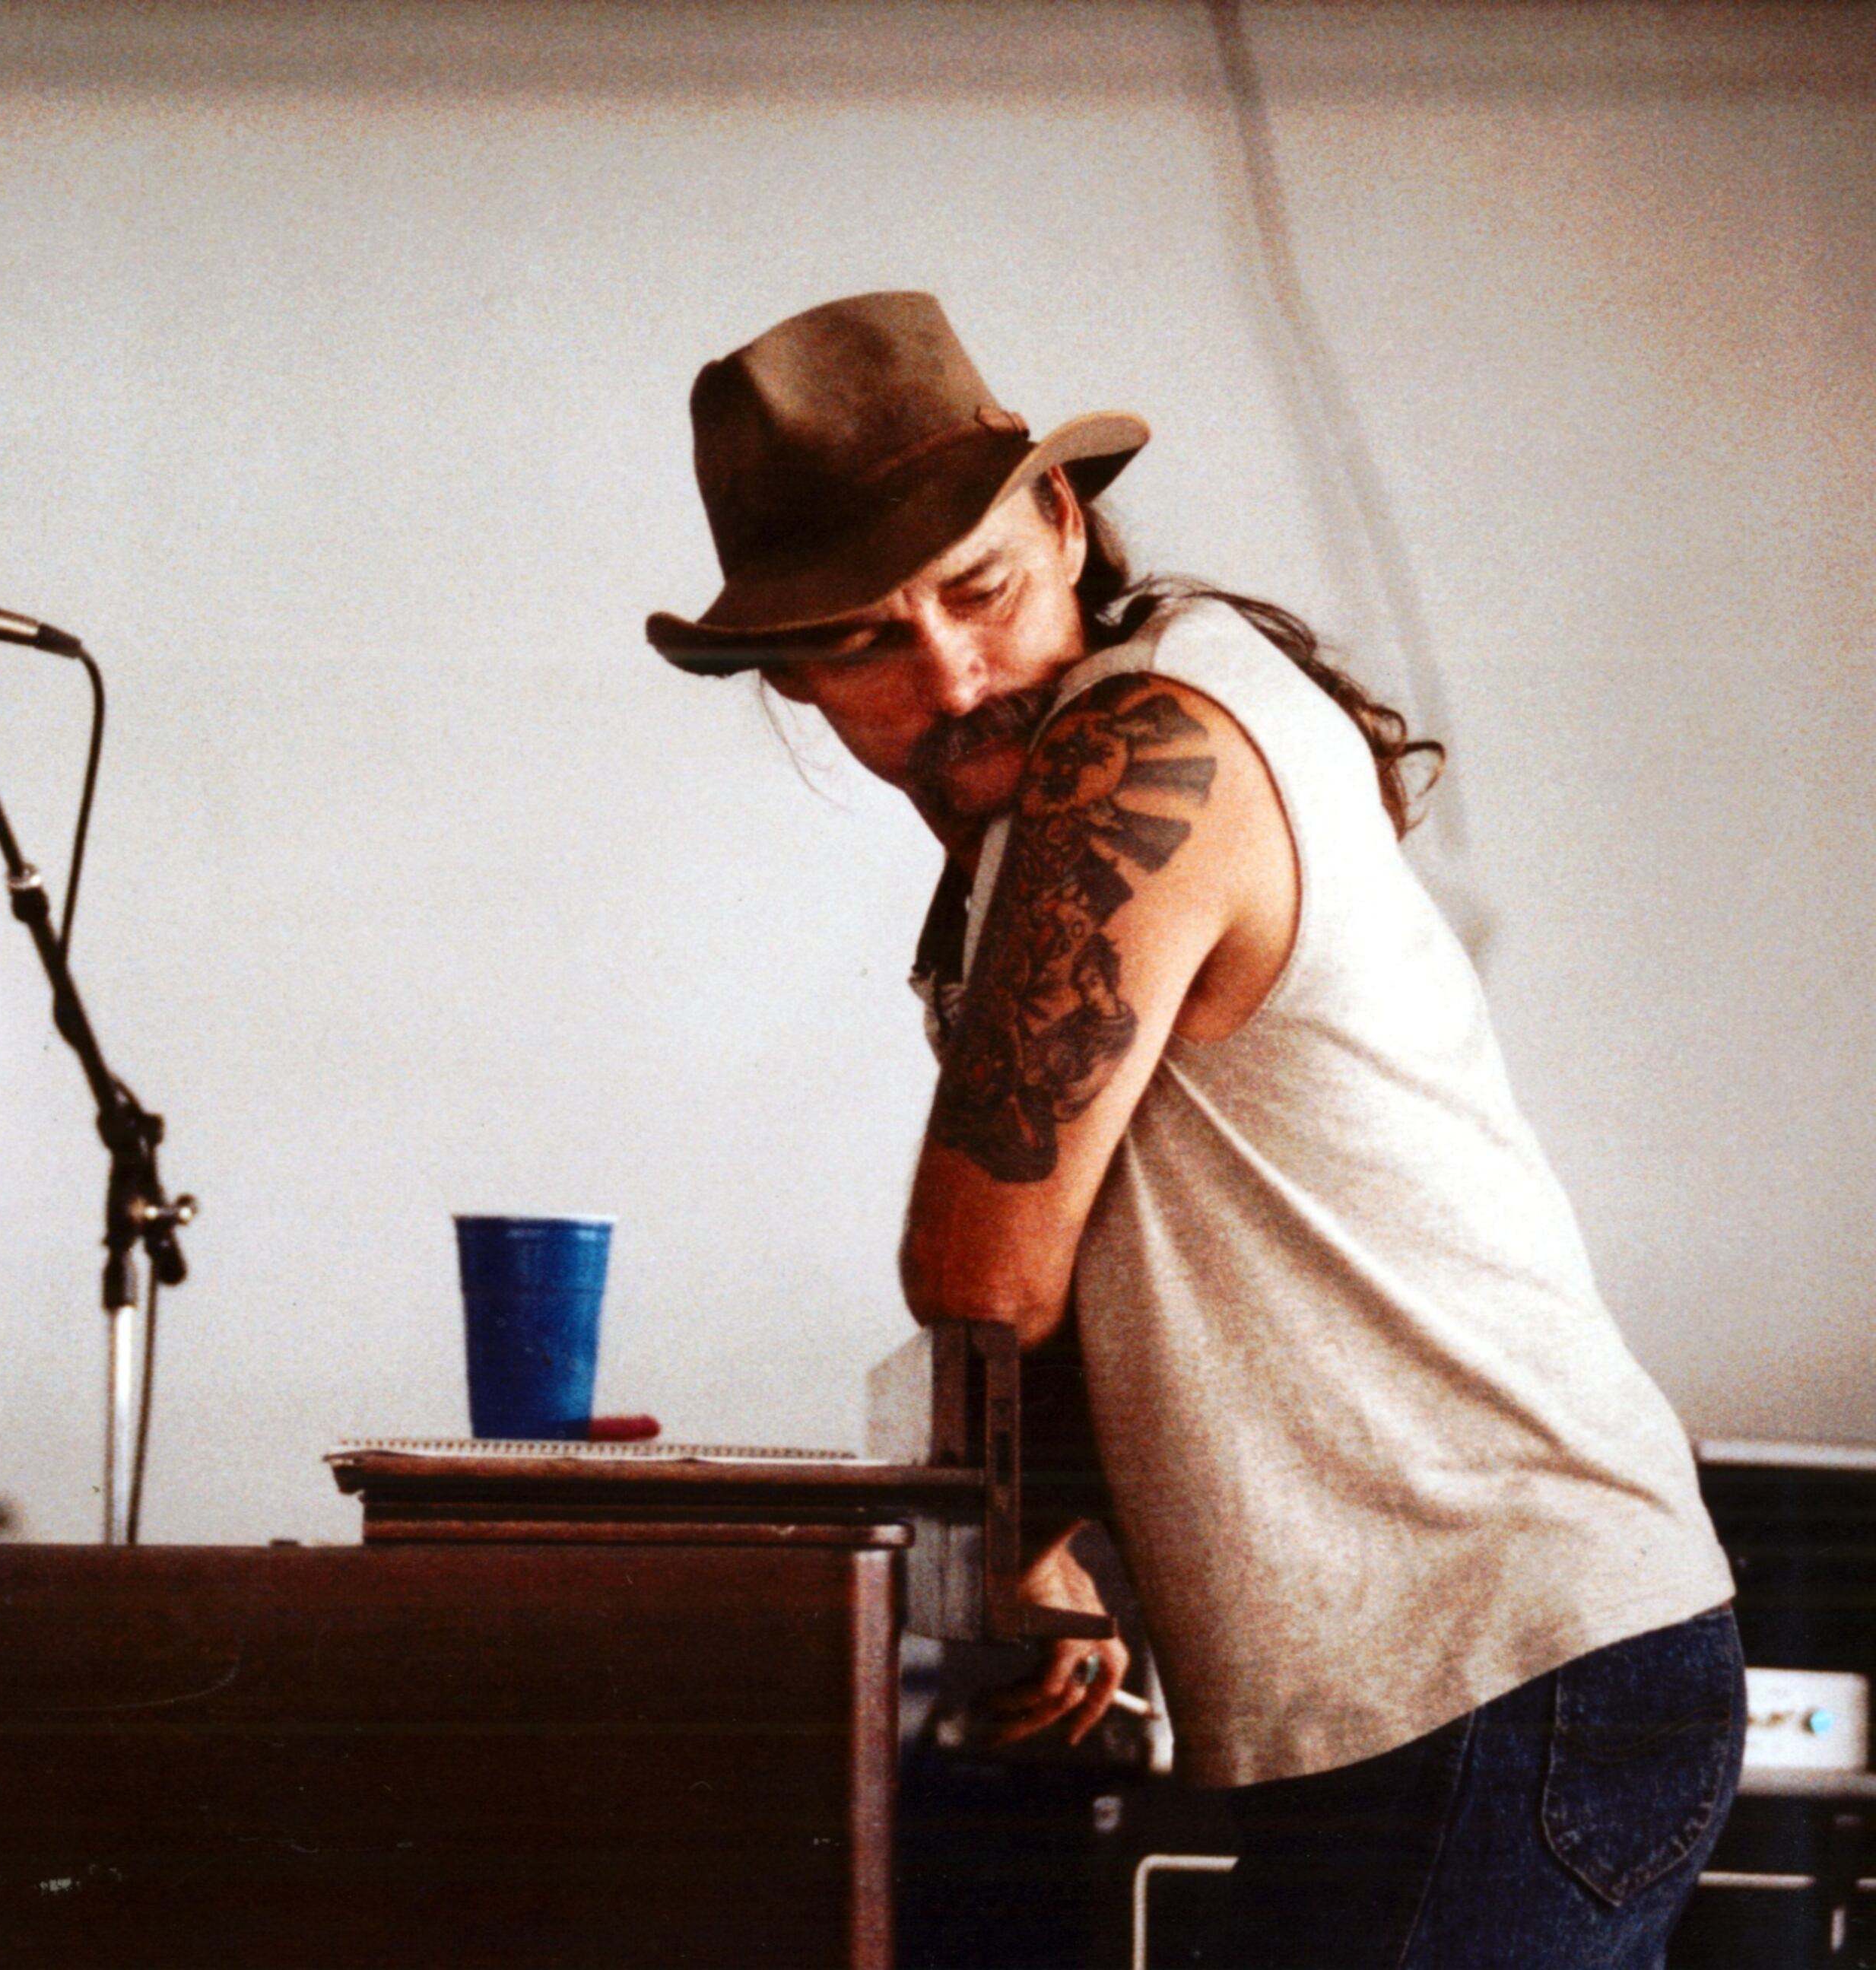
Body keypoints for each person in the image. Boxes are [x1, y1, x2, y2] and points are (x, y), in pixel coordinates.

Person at [646, 292, 1743, 1968]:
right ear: (793, 682)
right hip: (1472, 1688)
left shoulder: (1139, 737)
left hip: (1493, 1678)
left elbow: (983, 1260)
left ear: (1065, 523)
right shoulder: (1111, 752)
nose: (946, 669)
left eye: (982, 589)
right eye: (865, 640)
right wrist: (1048, 1542)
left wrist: (1019, 1534)